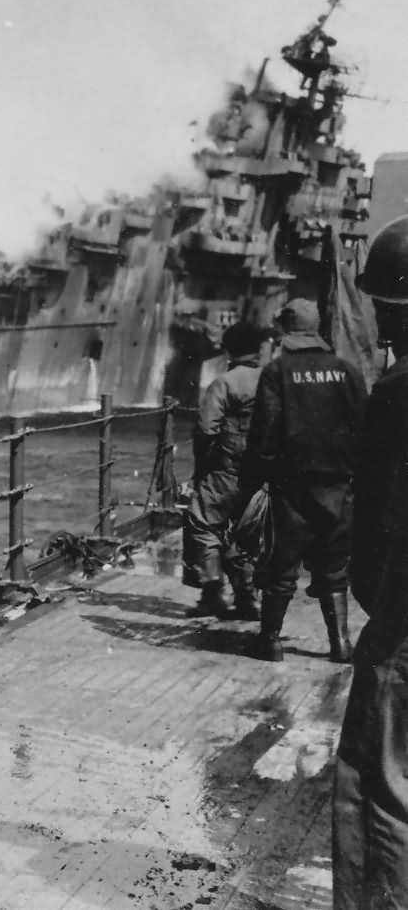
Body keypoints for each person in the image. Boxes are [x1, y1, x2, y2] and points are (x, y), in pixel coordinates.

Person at [334, 214, 408, 908]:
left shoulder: (396, 391)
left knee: (370, 783)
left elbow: (377, 528)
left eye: (391, 306)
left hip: (403, 622)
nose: (383, 321)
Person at [242, 297, 366, 662]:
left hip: (292, 487)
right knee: (333, 567)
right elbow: (365, 428)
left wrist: (255, 478)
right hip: (340, 486)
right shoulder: (347, 370)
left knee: (281, 566)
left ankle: (271, 641)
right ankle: (340, 643)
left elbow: (265, 434)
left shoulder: (277, 372)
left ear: (286, 329)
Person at [182, 321, 267, 619]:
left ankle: (212, 593)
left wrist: (201, 465)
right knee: (248, 532)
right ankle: (247, 598)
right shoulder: (272, 379)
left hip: (225, 470)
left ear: (229, 349)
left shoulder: (226, 382)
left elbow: (206, 428)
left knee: (203, 524)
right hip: (261, 474)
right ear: (259, 348)